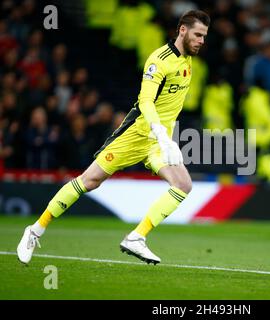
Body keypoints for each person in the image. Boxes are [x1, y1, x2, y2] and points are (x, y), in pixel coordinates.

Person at [17, 10, 210, 265]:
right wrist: (162, 134)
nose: (202, 41)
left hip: (158, 141)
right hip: (137, 135)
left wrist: (168, 137)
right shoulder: (158, 60)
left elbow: (170, 105)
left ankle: (136, 238)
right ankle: (35, 229)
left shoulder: (187, 62)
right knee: (89, 181)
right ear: (182, 31)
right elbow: (146, 101)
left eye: (205, 36)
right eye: (198, 34)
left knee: (183, 185)